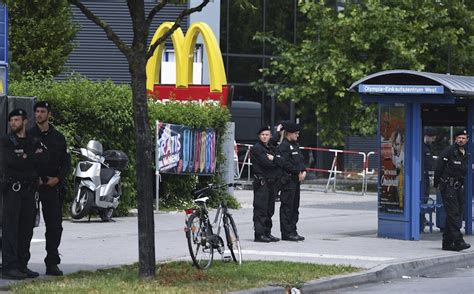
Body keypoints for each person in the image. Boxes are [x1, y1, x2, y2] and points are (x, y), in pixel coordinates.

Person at [0, 109, 47, 279]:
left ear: (25, 121)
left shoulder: (33, 140)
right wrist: (28, 158)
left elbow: (42, 160)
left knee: (26, 230)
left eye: (16, 120)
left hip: (29, 191)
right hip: (13, 190)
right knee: (10, 229)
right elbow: (11, 162)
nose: (13, 123)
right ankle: (8, 267)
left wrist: (28, 158)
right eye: (11, 120)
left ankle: (21, 265)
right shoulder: (6, 141)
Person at [28, 101, 71, 276]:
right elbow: (23, 162)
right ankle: (22, 263)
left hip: (53, 186)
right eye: (37, 111)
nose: (39, 114)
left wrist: (58, 179)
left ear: (49, 114)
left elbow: (66, 163)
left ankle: (52, 262)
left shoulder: (58, 137)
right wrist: (34, 179)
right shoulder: (28, 136)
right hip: (32, 186)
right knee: (26, 226)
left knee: (54, 226)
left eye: (42, 111)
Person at [434, 129, 470, 251]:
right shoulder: (449, 151)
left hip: (458, 187)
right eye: (459, 137)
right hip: (448, 186)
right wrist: (436, 183)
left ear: (467, 140)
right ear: (455, 139)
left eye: (463, 138)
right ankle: (458, 241)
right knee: (453, 213)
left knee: (457, 213)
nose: (461, 140)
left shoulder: (465, 153)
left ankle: (447, 243)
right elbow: (439, 167)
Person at [275, 122, 306, 241]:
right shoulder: (284, 146)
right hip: (287, 181)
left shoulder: (295, 145)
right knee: (287, 207)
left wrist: (303, 170)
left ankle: (293, 230)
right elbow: (285, 163)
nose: (298, 135)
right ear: (289, 133)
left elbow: (300, 160)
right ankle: (287, 232)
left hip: (295, 181)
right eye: (296, 133)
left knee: (294, 207)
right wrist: (297, 171)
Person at [250, 125, 280, 242]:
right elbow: (267, 163)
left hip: (271, 182)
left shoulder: (269, 148)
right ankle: (259, 234)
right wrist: (276, 161)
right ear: (259, 136)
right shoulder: (257, 148)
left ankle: (267, 232)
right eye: (263, 135)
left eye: (267, 134)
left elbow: (278, 161)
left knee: (269, 209)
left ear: (270, 136)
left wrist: (275, 160)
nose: (265, 136)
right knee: (260, 209)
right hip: (261, 182)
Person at [420, 128, 437, 232]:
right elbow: (427, 163)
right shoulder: (423, 148)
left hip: (425, 176)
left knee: (425, 198)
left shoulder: (425, 147)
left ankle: (422, 219)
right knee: (423, 198)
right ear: (428, 136)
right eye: (433, 138)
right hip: (422, 177)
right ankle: (421, 220)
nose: (433, 141)